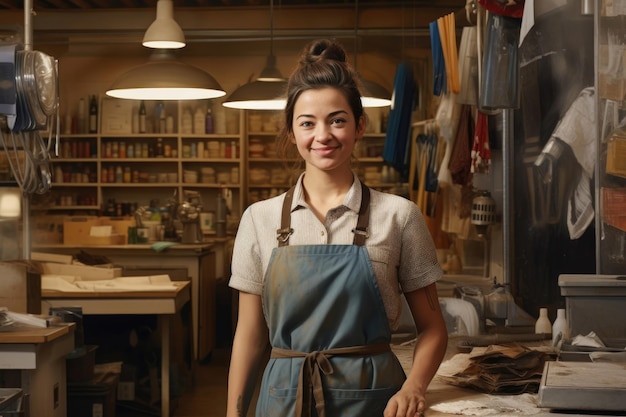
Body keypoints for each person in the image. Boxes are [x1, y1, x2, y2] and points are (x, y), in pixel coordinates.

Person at [227, 39, 448, 417]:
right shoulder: (259, 219)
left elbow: (433, 329)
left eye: (338, 120)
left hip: (375, 400)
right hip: (284, 400)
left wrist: (414, 388)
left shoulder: (399, 216)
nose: (323, 135)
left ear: (359, 126)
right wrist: (234, 414)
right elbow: (249, 336)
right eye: (307, 123)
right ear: (292, 132)